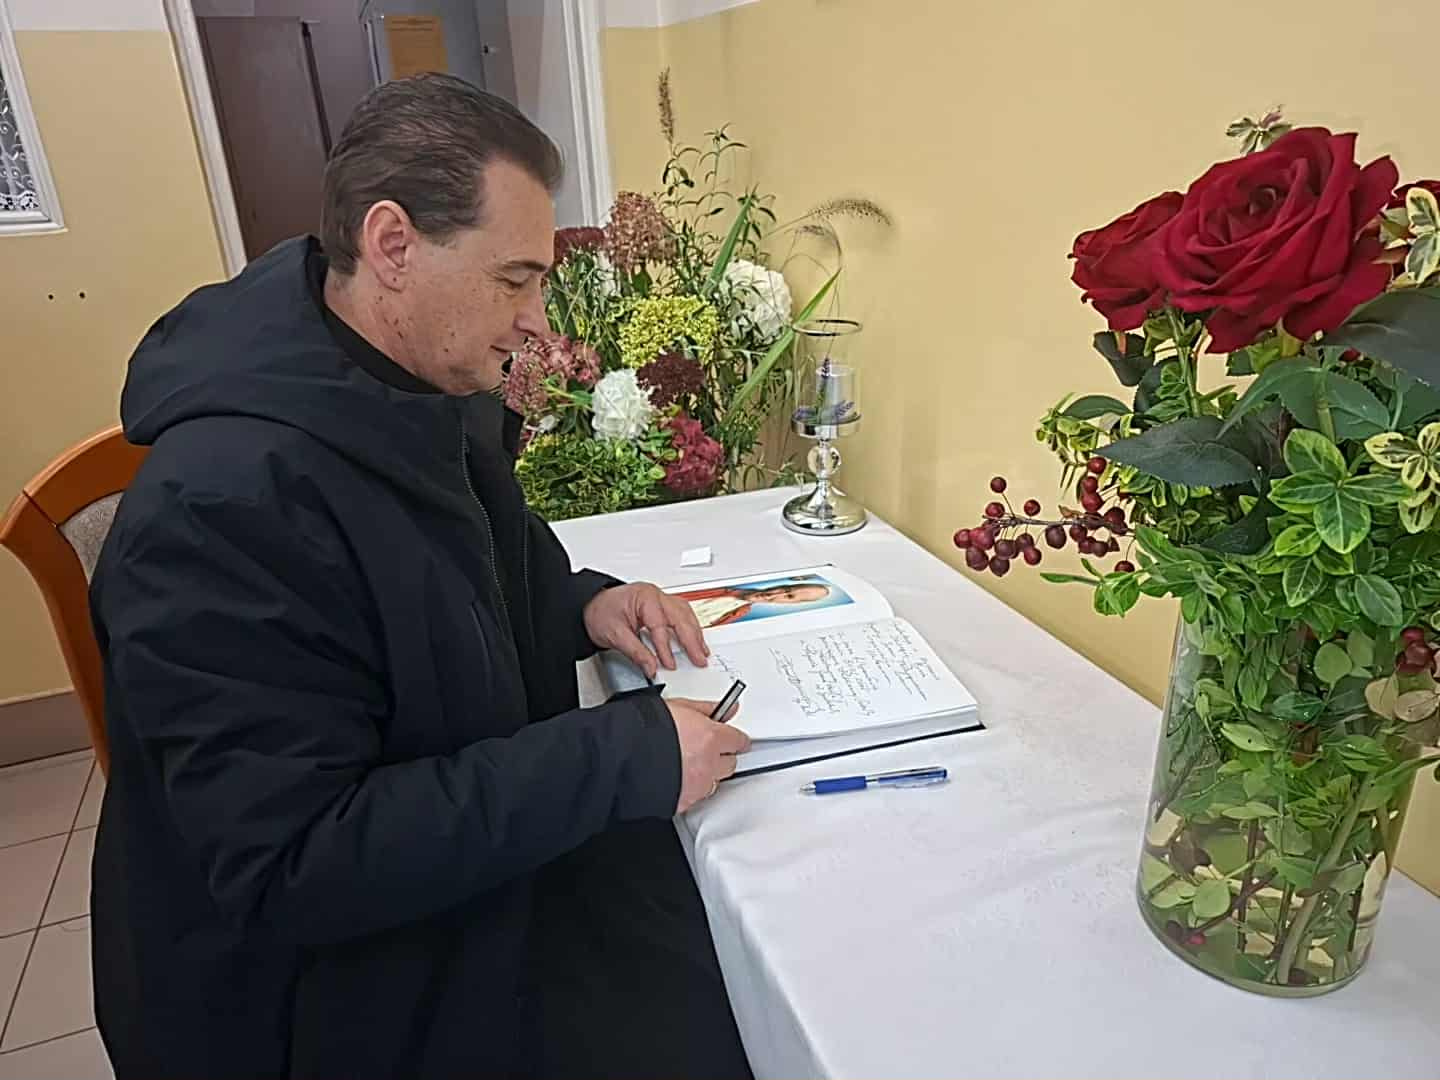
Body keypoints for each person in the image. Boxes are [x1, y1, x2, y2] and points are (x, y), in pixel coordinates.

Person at [89, 74, 753, 1079]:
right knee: (708, 1005)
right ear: (393, 244)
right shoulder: (221, 505)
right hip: (310, 992)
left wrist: (584, 604)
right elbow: (293, 863)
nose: (538, 322)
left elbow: (472, 578)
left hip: (432, 881)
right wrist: (617, 760)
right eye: (515, 279)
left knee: (715, 937)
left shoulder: (410, 388)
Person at [680, 580, 834, 628]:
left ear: (790, 604)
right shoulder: (722, 585)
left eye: (789, 596)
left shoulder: (739, 612)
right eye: (786, 589)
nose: (774, 595)